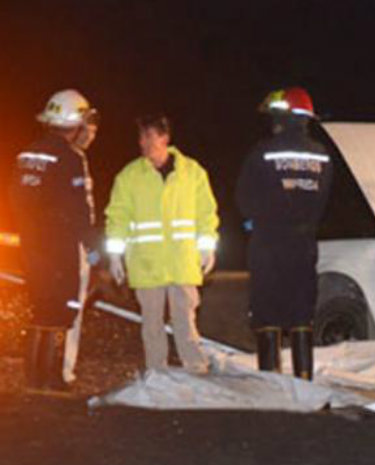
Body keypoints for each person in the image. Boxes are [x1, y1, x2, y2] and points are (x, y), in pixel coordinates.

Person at [104, 114, 219, 374]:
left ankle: (196, 369)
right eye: (141, 136)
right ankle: (157, 371)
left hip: (182, 262)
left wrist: (207, 246)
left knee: (185, 320)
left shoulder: (192, 173)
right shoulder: (130, 176)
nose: (143, 142)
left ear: (165, 138)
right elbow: (118, 216)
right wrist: (115, 255)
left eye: (149, 136)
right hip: (147, 263)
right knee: (152, 324)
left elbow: (206, 213)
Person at [236, 87, 333, 379]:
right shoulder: (322, 155)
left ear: (283, 116)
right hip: (304, 244)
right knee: (302, 310)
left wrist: (256, 219)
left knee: (267, 309)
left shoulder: (264, 151)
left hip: (268, 242)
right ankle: (304, 378)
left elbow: (244, 195)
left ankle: (270, 378)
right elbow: (324, 198)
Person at [8, 89, 100, 390]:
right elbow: (78, 211)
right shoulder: (69, 159)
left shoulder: (28, 154)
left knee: (40, 306)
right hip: (59, 249)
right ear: (75, 122)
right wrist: (95, 250)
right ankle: (48, 376)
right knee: (59, 310)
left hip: (32, 247)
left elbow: (15, 200)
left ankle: (34, 377)